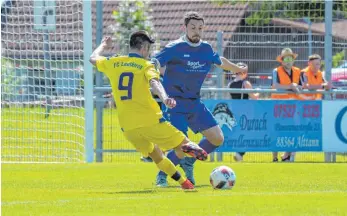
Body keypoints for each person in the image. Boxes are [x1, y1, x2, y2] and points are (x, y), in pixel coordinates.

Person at [89, 30, 208, 190]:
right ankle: (187, 147)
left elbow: (92, 58)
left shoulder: (114, 62)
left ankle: (184, 183)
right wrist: (165, 98)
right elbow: (154, 82)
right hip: (150, 120)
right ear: (144, 48)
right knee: (181, 142)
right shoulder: (146, 65)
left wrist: (103, 44)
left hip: (128, 126)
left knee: (156, 155)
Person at [153, 11, 247, 186]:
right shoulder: (175, 47)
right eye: (193, 27)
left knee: (217, 138)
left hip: (194, 103)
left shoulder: (206, 49)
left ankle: (189, 161)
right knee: (182, 145)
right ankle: (162, 174)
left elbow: (220, 61)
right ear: (185, 28)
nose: (197, 31)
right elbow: (154, 62)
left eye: (200, 28)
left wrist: (237, 69)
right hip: (175, 104)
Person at [271, 48, 302, 162]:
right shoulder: (276, 71)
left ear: (293, 60)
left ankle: (286, 155)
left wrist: (297, 87)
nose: (288, 61)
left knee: (293, 131)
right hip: (279, 106)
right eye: (286, 59)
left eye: (290, 58)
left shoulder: (298, 71)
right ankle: (274, 157)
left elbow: (301, 86)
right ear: (282, 60)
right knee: (277, 131)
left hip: (294, 106)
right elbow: (276, 86)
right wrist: (291, 86)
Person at [228, 62, 259, 162]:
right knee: (248, 133)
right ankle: (240, 153)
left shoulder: (230, 84)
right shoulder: (245, 83)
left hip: (234, 110)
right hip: (245, 111)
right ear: (244, 73)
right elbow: (254, 97)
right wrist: (259, 91)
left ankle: (239, 152)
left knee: (239, 132)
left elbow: (228, 98)